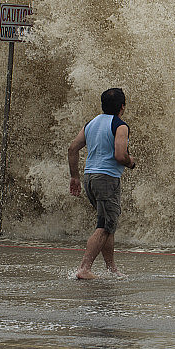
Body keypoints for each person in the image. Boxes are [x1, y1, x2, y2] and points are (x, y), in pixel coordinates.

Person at [68, 88, 135, 280]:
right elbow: (120, 155)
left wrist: (75, 177)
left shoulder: (91, 123)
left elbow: (72, 149)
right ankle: (84, 268)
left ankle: (111, 268)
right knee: (105, 226)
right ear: (122, 107)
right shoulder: (120, 126)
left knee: (107, 223)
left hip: (90, 178)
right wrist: (131, 162)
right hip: (106, 179)